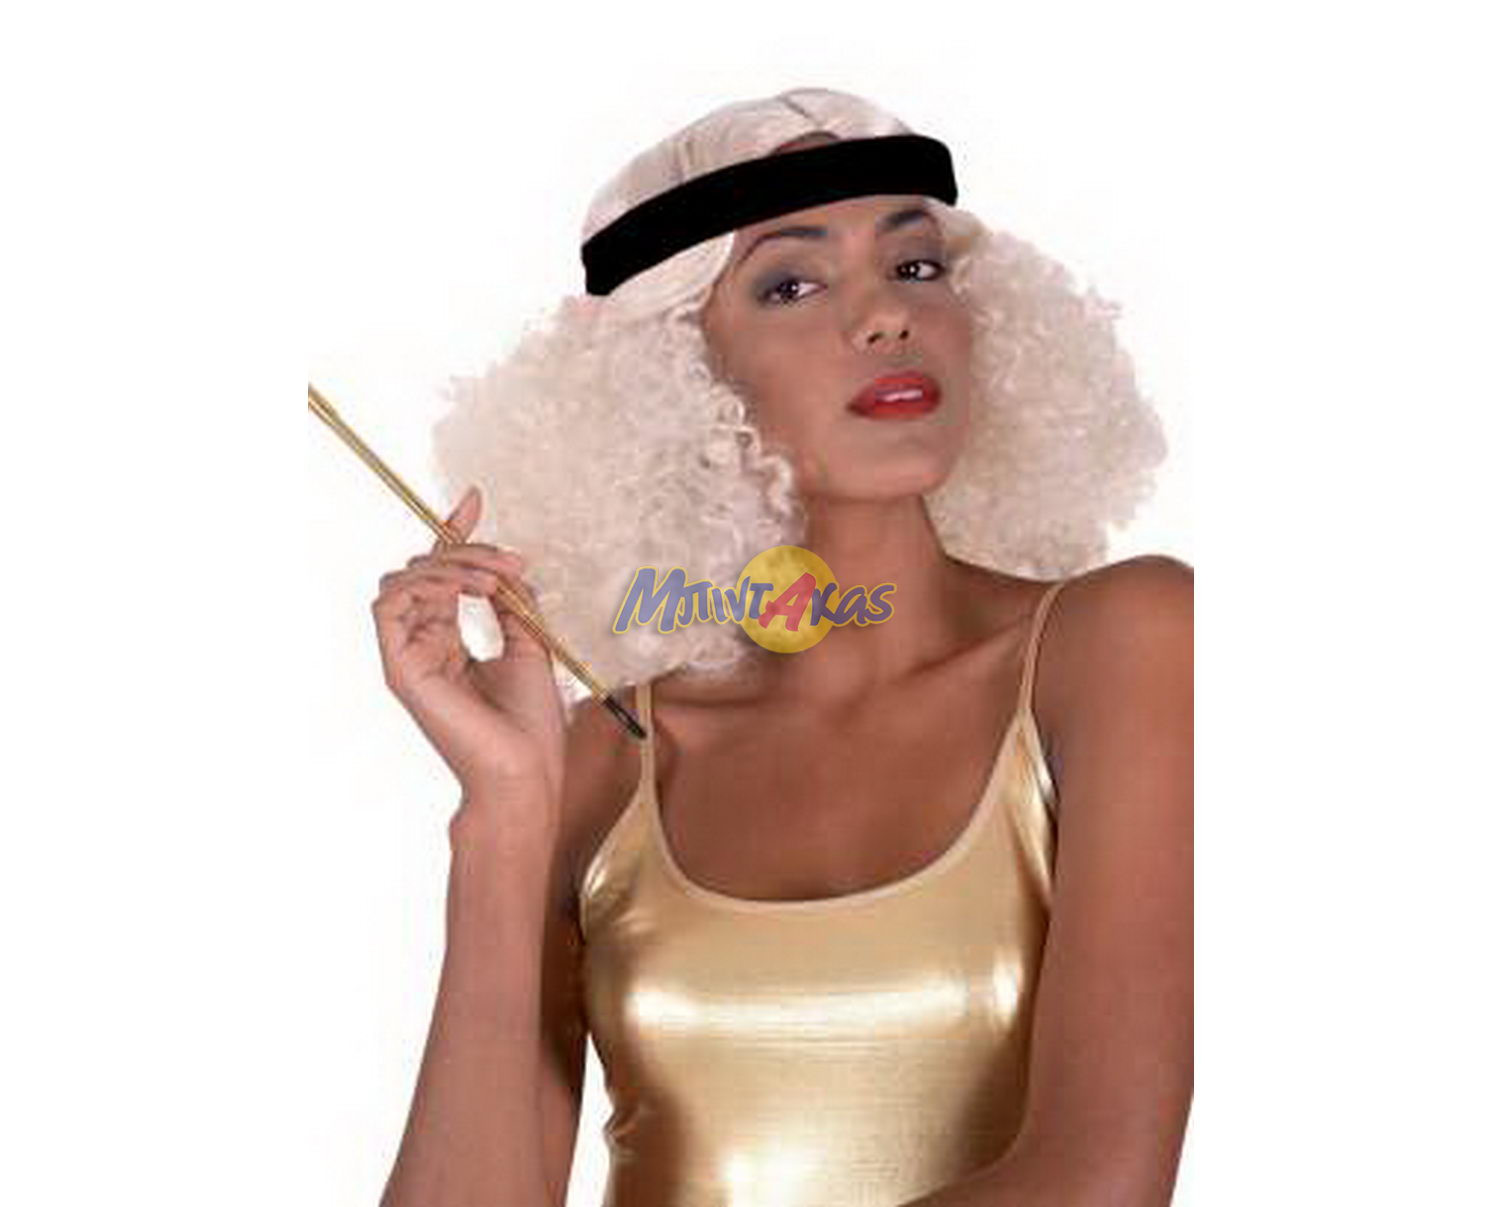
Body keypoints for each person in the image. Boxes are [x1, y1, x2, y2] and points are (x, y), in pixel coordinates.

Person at [369, 88, 1191, 1207]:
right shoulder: (601, 761)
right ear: (676, 375)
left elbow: (1100, 1183)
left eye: (914, 265)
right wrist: (504, 815)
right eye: (792, 284)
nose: (886, 316)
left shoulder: (1121, 646)